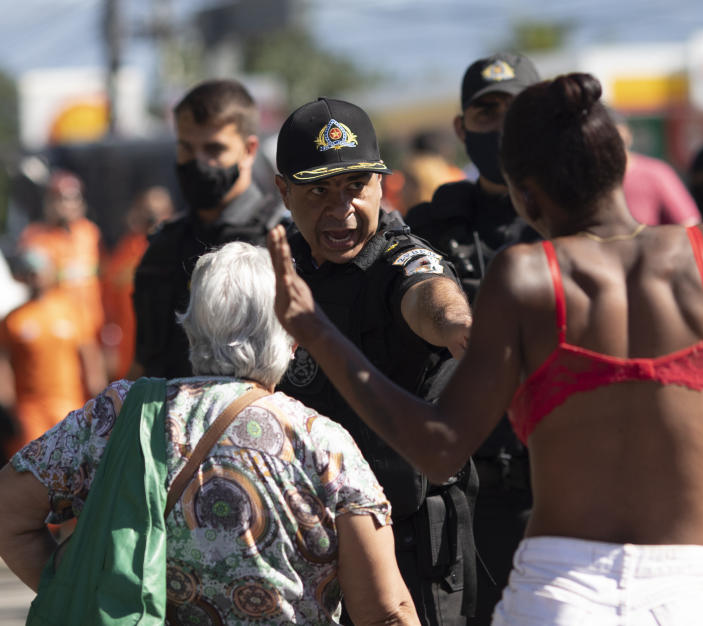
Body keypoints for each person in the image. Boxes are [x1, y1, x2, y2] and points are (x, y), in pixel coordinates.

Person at [267, 73, 703, 624]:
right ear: (623, 166)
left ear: (525, 194)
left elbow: (439, 446)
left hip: (560, 592)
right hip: (688, 595)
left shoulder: (525, 278)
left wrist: (316, 331)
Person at [0, 241, 419, 625]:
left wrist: (94, 597)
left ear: (193, 325)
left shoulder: (119, 414)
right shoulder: (323, 444)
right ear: (290, 337)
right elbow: (385, 612)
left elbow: (8, 512)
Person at [272, 96, 475, 626]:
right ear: (282, 191)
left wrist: (459, 327)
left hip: (408, 547)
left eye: (355, 186)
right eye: (319, 190)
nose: (342, 209)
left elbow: (433, 299)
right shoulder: (272, 270)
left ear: (382, 185)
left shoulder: (403, 258)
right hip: (301, 547)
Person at [404, 52, 539, 624]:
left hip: (553, 489)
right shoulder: (430, 226)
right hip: (461, 489)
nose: (501, 127)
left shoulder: (574, 219)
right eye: (486, 113)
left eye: (516, 112)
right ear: (461, 129)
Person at [132, 78, 287, 379]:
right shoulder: (162, 249)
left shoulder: (282, 240)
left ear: (249, 149)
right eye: (187, 149)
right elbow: (144, 362)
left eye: (214, 149)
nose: (198, 163)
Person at [0, 247, 104, 459]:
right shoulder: (13, 319)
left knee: (71, 463)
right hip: (29, 408)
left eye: (39, 271)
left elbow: (89, 355)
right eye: (30, 272)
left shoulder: (71, 311)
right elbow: (4, 364)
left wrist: (99, 395)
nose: (35, 277)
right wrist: (8, 405)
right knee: (31, 464)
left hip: (69, 403)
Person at [18, 170, 106, 382]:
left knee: (98, 390)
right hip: (57, 331)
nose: (66, 205)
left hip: (92, 327)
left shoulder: (89, 233)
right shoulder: (36, 237)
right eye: (59, 199)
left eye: (72, 198)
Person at [100, 186, 174, 380]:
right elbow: (108, 304)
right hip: (128, 354)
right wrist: (108, 346)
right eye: (148, 213)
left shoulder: (176, 250)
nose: (153, 219)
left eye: (159, 213)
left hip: (167, 354)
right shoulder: (125, 251)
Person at [609, 108, 701, 227]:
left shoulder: (656, 174)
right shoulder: (585, 180)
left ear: (628, 135)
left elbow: (689, 224)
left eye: (616, 137)